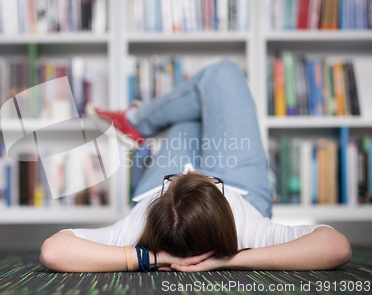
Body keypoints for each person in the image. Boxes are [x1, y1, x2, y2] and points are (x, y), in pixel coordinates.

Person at [39, 61, 352, 273]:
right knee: (221, 74)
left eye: (172, 180)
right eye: (200, 179)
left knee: (189, 118)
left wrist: (149, 257)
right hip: (241, 186)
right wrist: (232, 260)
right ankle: (136, 119)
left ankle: (135, 121)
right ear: (218, 191)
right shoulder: (250, 231)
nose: (188, 169)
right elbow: (336, 246)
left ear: (157, 204)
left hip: (176, 216)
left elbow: (54, 251)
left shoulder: (135, 231)